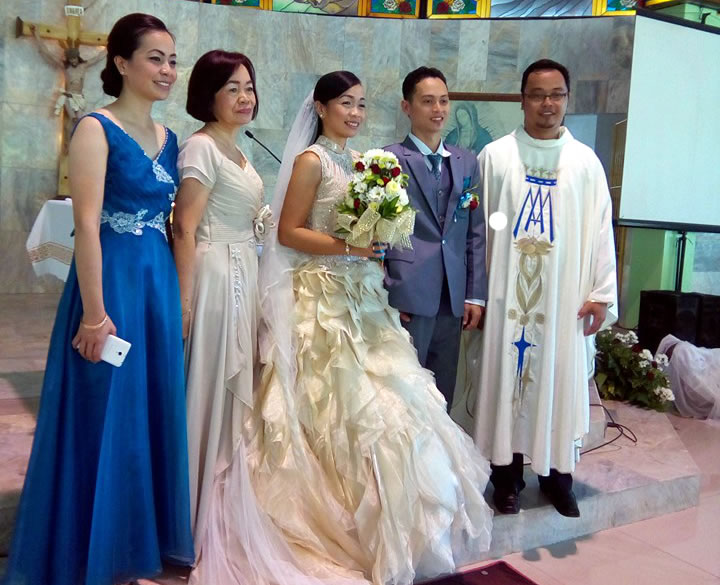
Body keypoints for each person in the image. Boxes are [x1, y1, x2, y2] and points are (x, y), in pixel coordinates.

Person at [252, 70, 493, 585]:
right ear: (320, 108)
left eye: (361, 104)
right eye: (345, 104)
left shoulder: (363, 162)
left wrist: (377, 237)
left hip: (363, 294)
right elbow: (289, 232)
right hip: (321, 300)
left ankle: (407, 521)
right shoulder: (311, 160)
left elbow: (373, 227)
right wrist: (351, 247)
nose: (355, 114)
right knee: (333, 404)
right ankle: (335, 510)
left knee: (399, 402)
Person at [2, 13, 194, 585]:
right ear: (120, 63)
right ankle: (85, 544)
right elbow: (84, 227)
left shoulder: (170, 138)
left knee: (148, 408)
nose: (166, 70)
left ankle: (139, 539)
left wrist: (178, 299)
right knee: (104, 407)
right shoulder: (95, 127)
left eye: (171, 59)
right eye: (154, 58)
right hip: (109, 284)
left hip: (155, 281)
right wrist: (94, 312)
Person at [472, 59, 618, 518]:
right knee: (507, 383)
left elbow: (599, 230)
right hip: (505, 298)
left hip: (564, 302)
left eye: (556, 94)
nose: (547, 103)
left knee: (556, 379)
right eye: (537, 94)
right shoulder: (495, 157)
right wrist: (478, 293)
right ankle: (507, 479)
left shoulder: (585, 163)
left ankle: (558, 478)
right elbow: (482, 228)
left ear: (567, 99)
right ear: (522, 99)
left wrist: (601, 292)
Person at [173, 49, 274, 577]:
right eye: (232, 88)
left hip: (245, 273)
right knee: (209, 387)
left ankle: (224, 505)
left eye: (249, 87)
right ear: (208, 94)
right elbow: (184, 227)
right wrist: (184, 302)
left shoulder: (240, 150)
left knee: (238, 396)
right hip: (213, 277)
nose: (244, 97)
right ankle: (188, 516)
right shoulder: (201, 148)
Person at [384, 67, 487, 411]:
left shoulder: (466, 161)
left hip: (453, 296)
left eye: (443, 101)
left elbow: (474, 231)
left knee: (443, 391)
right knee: (406, 391)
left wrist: (474, 294)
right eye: (427, 101)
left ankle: (438, 463)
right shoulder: (388, 160)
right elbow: (374, 235)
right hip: (407, 294)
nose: (438, 109)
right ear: (407, 107)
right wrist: (386, 292)